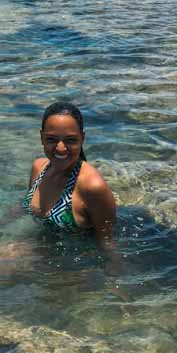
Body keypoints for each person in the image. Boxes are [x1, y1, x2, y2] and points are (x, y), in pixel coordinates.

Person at [24, 101, 120, 270]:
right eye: (52, 139)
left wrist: (113, 282)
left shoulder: (91, 187)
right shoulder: (38, 168)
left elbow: (107, 242)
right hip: (41, 252)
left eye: (70, 140)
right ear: (41, 138)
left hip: (74, 267)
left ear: (82, 138)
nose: (60, 148)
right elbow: (22, 206)